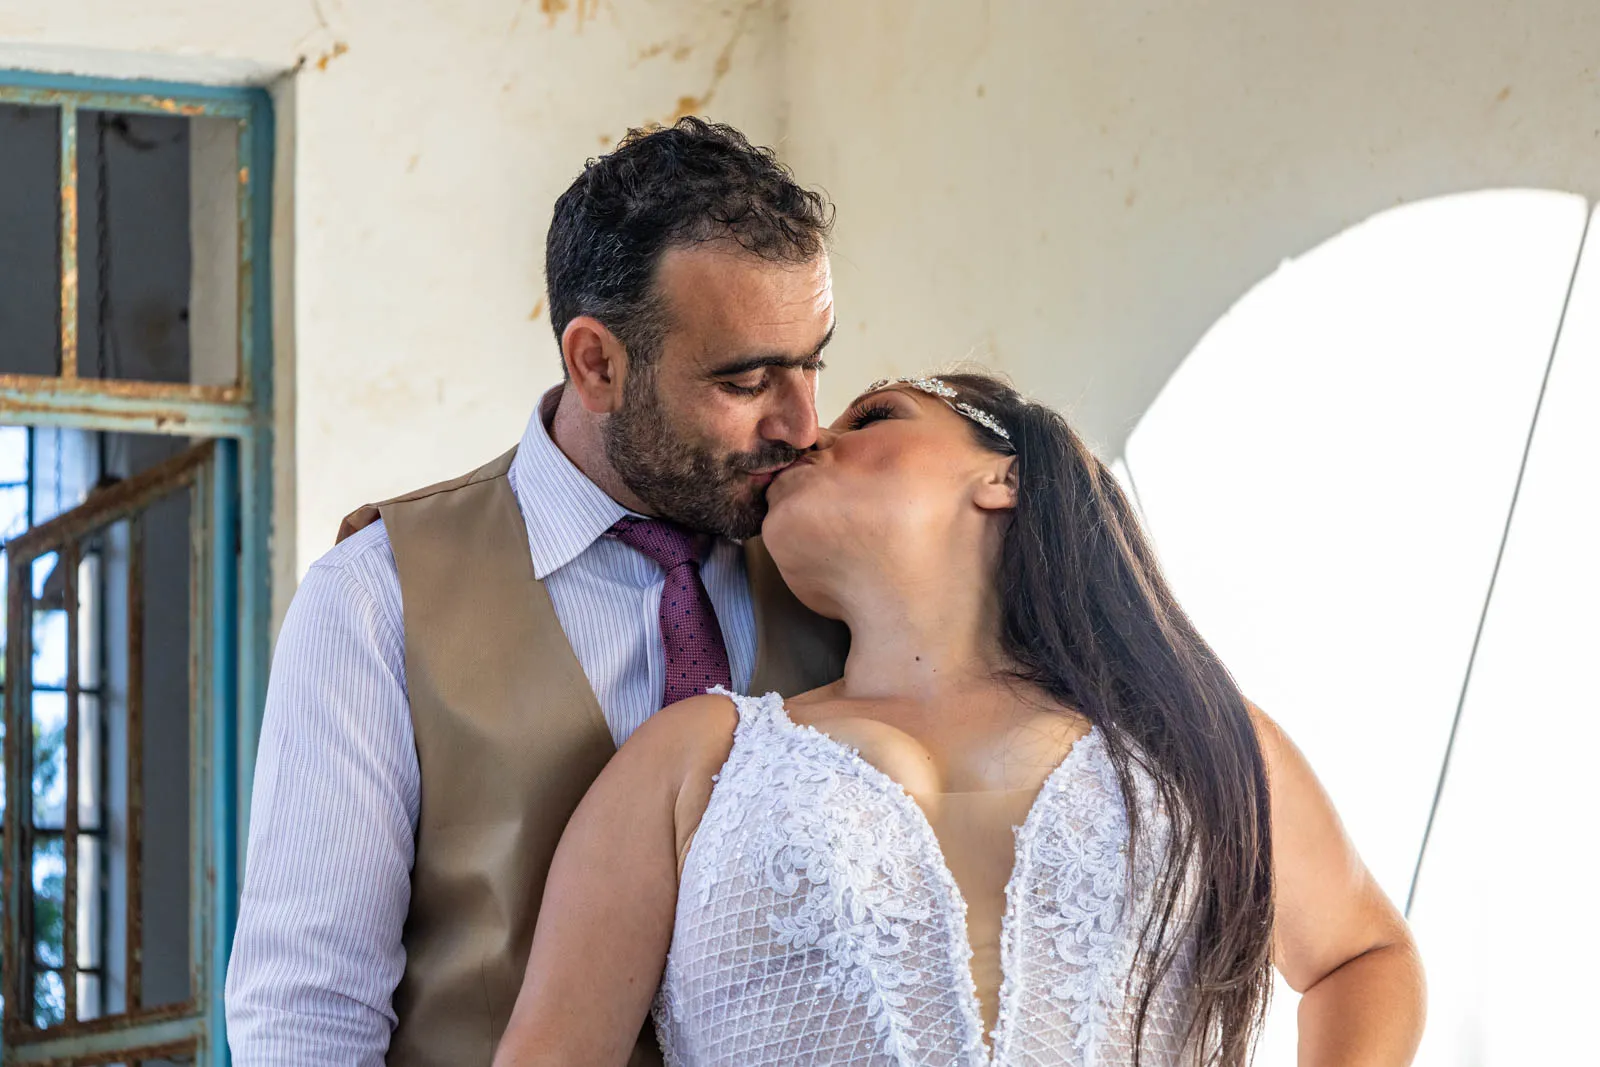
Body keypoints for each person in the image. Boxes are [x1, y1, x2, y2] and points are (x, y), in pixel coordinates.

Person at [491, 372, 1428, 1066]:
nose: (811, 436)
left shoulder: (1195, 740)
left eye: (874, 416)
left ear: (1003, 478)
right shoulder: (694, 753)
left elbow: (1366, 955)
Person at [224, 118, 849, 1067]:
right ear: (597, 363)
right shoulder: (377, 598)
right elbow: (307, 1015)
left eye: (812, 364)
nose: (802, 425)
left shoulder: (838, 579)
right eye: (748, 380)